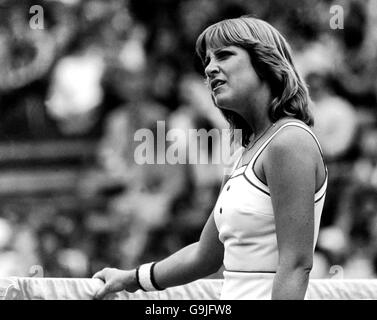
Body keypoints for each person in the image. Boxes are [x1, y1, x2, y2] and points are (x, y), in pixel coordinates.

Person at [92, 16, 328, 300]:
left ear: (265, 63)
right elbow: (205, 255)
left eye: (225, 55)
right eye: (207, 60)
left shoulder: (289, 141)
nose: (210, 68)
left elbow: (295, 264)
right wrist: (131, 278)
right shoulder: (242, 153)